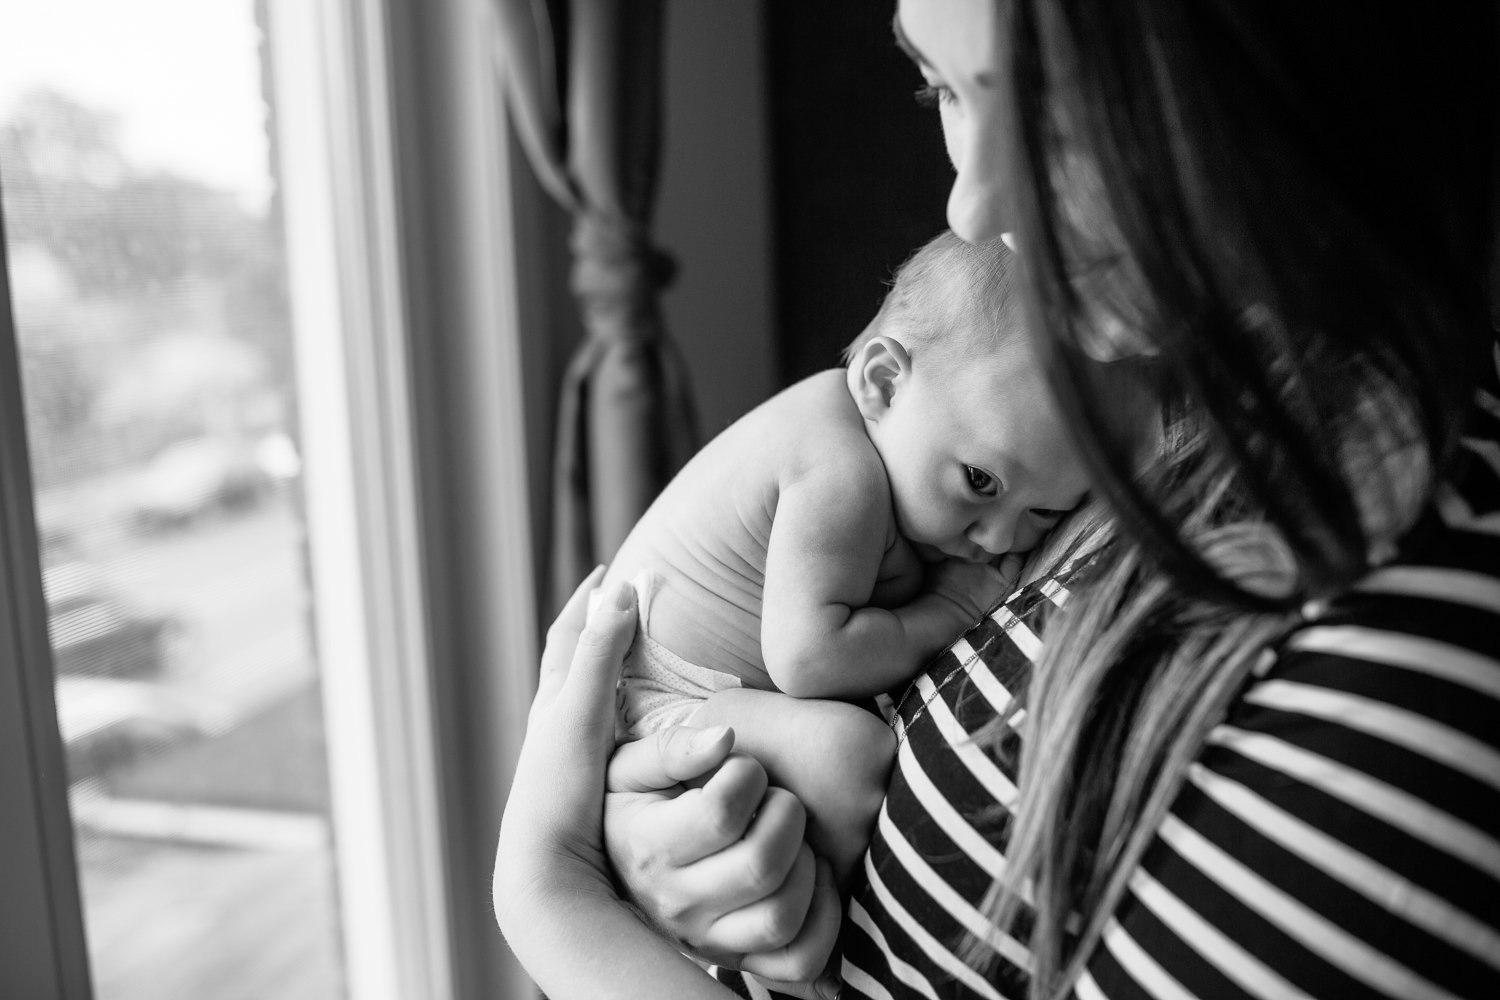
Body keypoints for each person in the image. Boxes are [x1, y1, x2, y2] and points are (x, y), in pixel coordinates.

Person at [496, 2, 1500, 999]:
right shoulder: (1140, 391)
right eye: (941, 86)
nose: (970, 210)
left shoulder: (1408, 644)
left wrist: (557, 898)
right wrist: (679, 843)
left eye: (1061, 119)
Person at [601, 230, 1095, 884]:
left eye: (1046, 513)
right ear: (885, 384)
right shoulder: (839, 470)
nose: (1002, 540)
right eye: (980, 481)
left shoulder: (893, 456)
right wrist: (950, 607)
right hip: (661, 704)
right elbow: (810, 657)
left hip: (696, 700)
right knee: (848, 756)